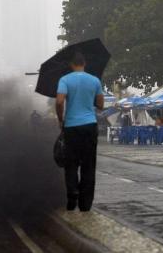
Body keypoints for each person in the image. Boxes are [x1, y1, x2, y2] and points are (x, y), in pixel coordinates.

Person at [56, 51, 104, 212]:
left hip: (71, 127)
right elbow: (101, 105)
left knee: (70, 164)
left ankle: (72, 193)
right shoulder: (95, 80)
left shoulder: (64, 80)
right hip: (90, 125)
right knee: (88, 165)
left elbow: (60, 101)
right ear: (85, 64)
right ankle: (85, 204)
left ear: (71, 64)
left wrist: (60, 118)